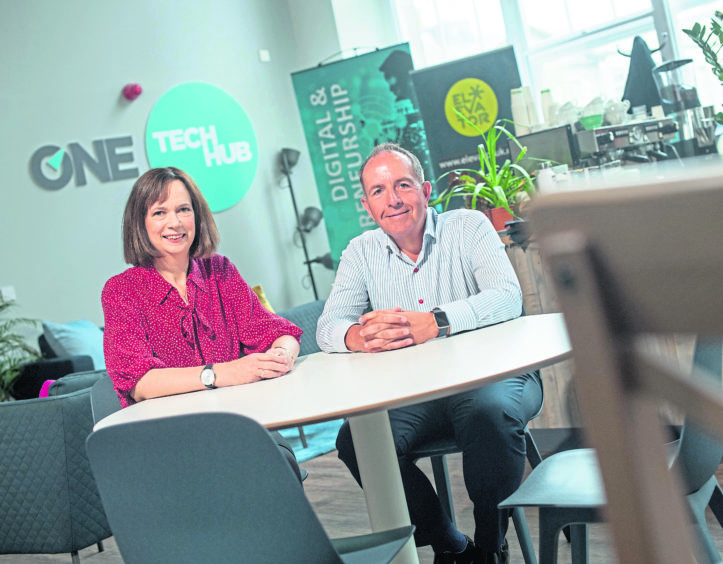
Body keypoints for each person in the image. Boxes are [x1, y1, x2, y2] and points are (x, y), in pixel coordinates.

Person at [316, 144, 543, 563]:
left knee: (489, 414)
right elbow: (327, 326)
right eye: (379, 191)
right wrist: (358, 336)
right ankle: (450, 544)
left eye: (402, 185)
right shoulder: (360, 252)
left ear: (424, 189)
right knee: (355, 440)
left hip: (494, 378)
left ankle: (491, 547)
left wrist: (436, 321)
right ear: (367, 206)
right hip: (417, 393)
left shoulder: (469, 226)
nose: (394, 199)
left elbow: (508, 297)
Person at [102, 167, 304, 481]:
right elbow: (140, 384)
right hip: (169, 441)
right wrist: (222, 373)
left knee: (274, 457)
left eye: (184, 210)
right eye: (160, 212)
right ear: (140, 223)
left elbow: (280, 332)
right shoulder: (121, 291)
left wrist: (281, 356)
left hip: (237, 424)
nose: (175, 222)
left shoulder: (220, 271)